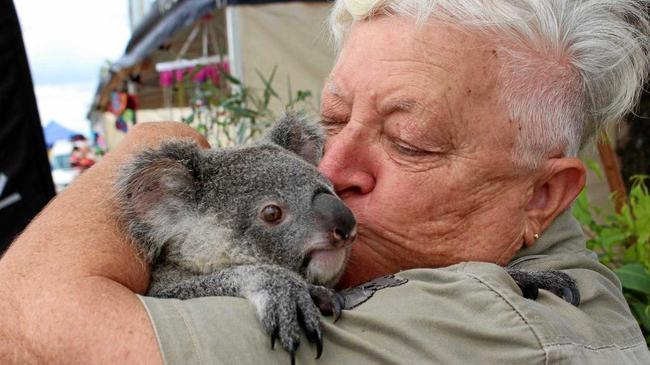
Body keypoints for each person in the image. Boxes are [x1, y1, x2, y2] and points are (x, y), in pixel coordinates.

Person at [1, 0, 649, 363]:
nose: (332, 172)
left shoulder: (502, 330)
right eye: (333, 119)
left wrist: (145, 144)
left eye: (410, 141)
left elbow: (22, 327)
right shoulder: (459, 254)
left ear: (540, 195)